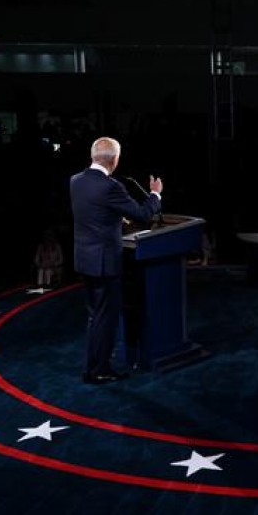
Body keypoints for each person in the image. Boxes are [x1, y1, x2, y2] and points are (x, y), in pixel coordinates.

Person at [70, 137, 163, 384]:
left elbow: (94, 213)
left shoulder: (76, 181)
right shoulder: (111, 186)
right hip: (104, 263)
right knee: (106, 318)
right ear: (115, 159)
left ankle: (92, 367)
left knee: (95, 316)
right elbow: (143, 214)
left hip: (84, 259)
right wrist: (155, 194)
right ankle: (99, 370)